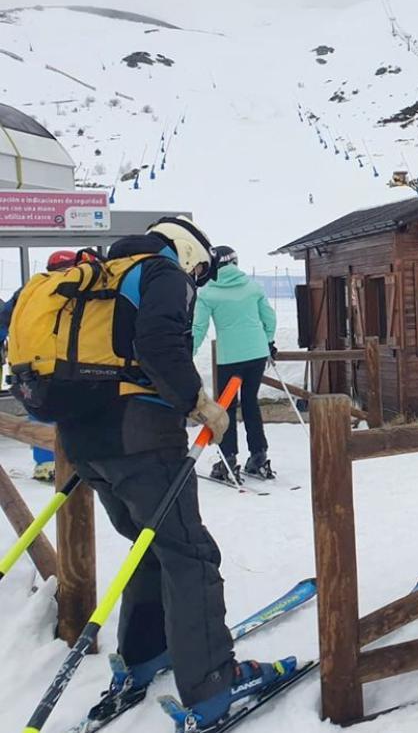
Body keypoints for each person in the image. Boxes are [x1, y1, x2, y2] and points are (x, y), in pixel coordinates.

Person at [55, 217, 294, 731]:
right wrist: (198, 403)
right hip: (140, 436)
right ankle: (213, 683)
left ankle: (144, 654)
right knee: (190, 555)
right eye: (200, 269)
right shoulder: (161, 272)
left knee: (150, 544)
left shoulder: (99, 274)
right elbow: (161, 345)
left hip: (82, 439)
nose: (199, 278)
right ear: (188, 249)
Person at [192, 246, 278, 481]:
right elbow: (269, 318)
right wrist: (269, 342)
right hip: (257, 354)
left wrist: (188, 352)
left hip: (230, 357)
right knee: (251, 403)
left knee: (225, 408)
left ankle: (228, 459)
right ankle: (259, 456)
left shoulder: (208, 293)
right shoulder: (253, 287)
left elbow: (198, 328)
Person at [0, 250, 88, 481]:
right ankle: (74, 461)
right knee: (74, 412)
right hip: (71, 364)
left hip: (30, 368)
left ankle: (46, 462)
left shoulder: (30, 291)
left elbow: (4, 319)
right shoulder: (78, 287)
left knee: (43, 409)